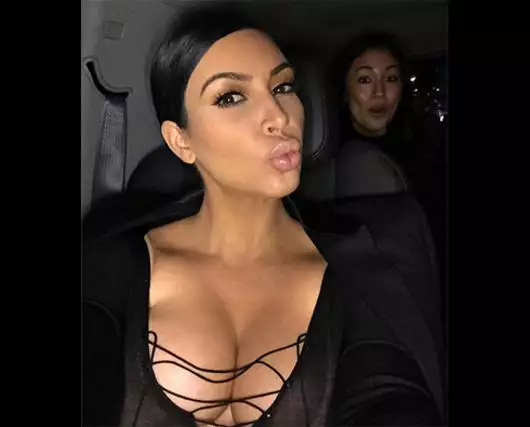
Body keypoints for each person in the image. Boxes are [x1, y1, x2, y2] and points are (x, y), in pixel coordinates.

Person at [82, 6, 445, 427]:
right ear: (181, 141)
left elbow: (389, 393)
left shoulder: (365, 267)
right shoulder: (110, 259)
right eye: (231, 97)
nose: (279, 116)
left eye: (283, 86)